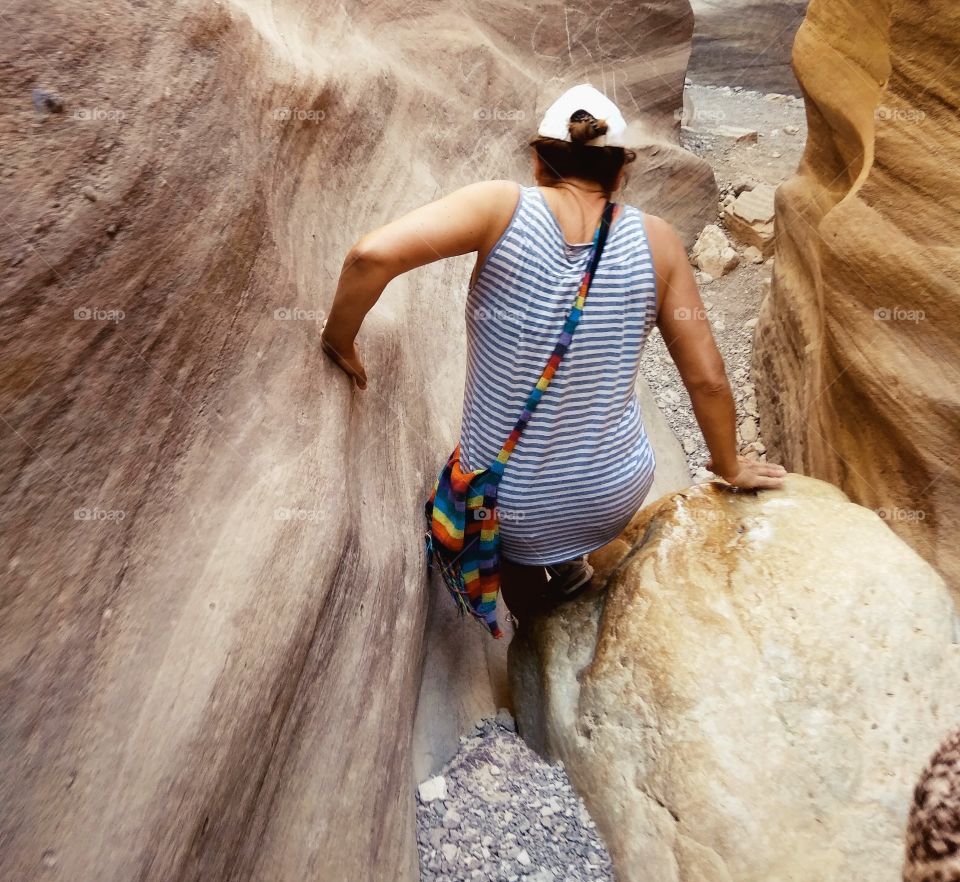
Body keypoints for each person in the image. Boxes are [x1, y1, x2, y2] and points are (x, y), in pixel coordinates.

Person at [321, 83, 786, 626]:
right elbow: (706, 381)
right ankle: (569, 558)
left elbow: (370, 256)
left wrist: (339, 339)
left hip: (515, 509)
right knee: (570, 445)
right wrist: (728, 466)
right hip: (616, 490)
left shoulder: (499, 207)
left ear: (539, 161)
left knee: (494, 506)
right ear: (620, 172)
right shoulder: (658, 241)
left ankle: (537, 637)